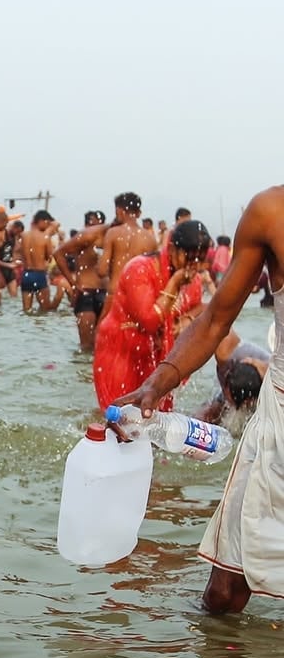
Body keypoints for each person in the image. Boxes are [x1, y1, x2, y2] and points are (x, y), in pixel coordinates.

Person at [116, 190, 284, 615]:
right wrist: (158, 381)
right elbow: (215, 319)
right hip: (278, 417)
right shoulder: (271, 212)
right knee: (225, 593)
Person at [92, 218, 211, 411]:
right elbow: (149, 321)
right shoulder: (139, 269)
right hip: (121, 353)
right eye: (189, 258)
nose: (194, 266)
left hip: (156, 357)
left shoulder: (194, 280)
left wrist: (186, 320)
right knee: (118, 417)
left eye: (199, 259)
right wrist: (173, 284)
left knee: (155, 420)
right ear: (172, 248)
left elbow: (200, 308)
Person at [53, 209, 109, 351]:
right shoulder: (83, 237)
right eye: (90, 222)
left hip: (107, 294)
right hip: (86, 292)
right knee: (86, 347)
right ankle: (81, 372)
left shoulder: (110, 238)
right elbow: (58, 254)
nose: (94, 225)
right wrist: (73, 283)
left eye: (97, 222)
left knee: (102, 345)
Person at [20, 210, 55, 312]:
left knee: (26, 310)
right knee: (45, 311)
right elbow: (49, 257)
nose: (48, 226)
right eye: (47, 223)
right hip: (39, 274)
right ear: (41, 221)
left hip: (26, 274)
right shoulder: (45, 237)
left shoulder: (23, 236)